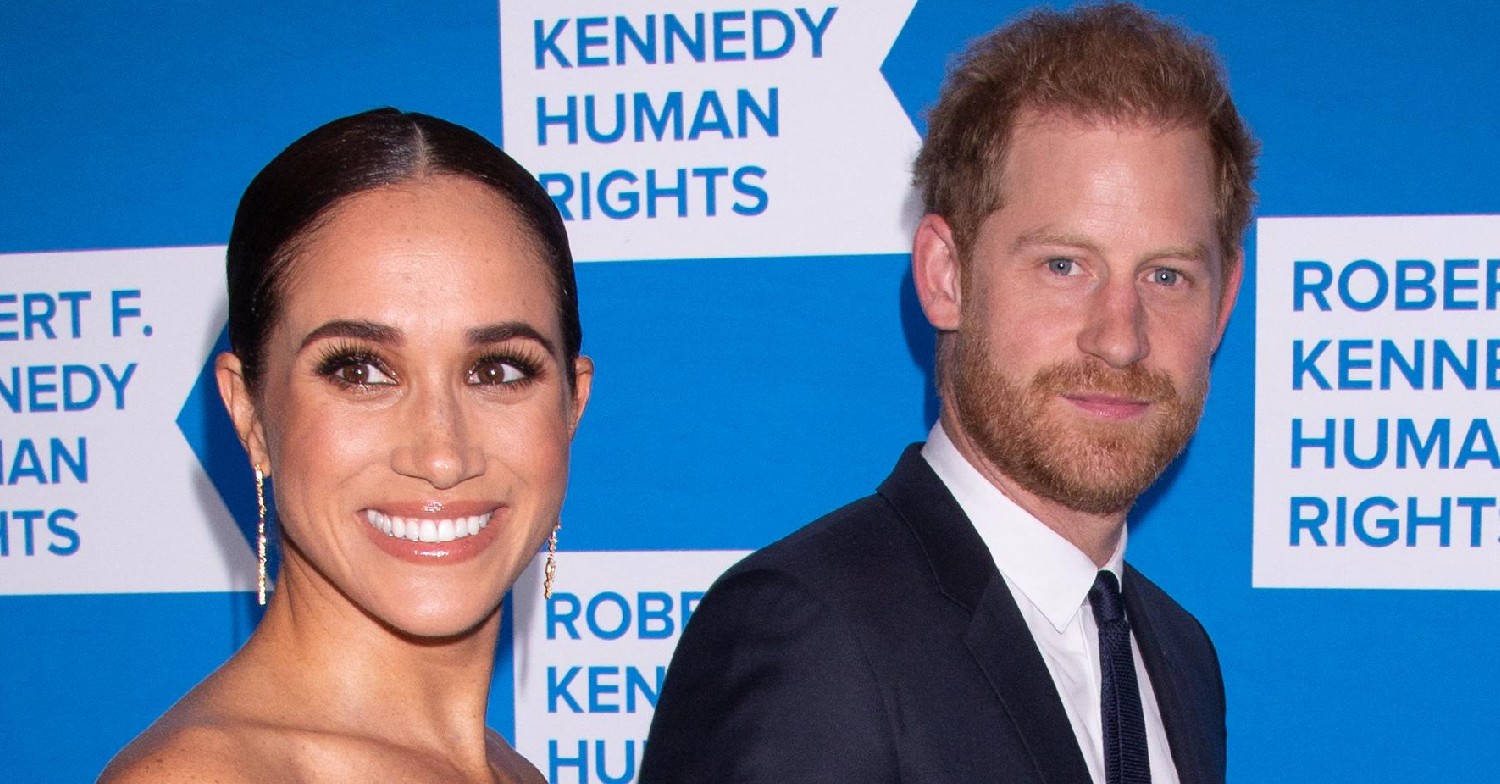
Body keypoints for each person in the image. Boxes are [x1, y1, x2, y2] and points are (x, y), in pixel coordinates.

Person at [641, 4, 1256, 783]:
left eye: (1166, 276)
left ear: (1223, 304)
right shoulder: (813, 633)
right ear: (946, 275)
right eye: (1064, 266)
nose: (1120, 337)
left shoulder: (1178, 654)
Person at [100, 108, 592, 782]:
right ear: (249, 413)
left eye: (497, 370)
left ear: (573, 403)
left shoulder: (508, 771)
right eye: (359, 371)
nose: (443, 455)